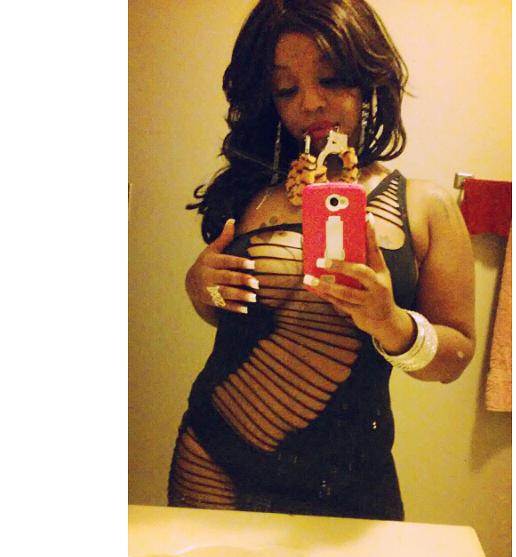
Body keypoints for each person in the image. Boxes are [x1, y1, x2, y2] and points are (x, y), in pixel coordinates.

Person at [168, 0, 475, 521]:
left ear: (368, 76)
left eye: (331, 79)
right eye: (286, 89)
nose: (311, 102)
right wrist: (200, 289)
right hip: (214, 460)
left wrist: (391, 323)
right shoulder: (250, 195)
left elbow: (457, 355)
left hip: (351, 478)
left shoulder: (427, 206)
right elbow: (231, 318)